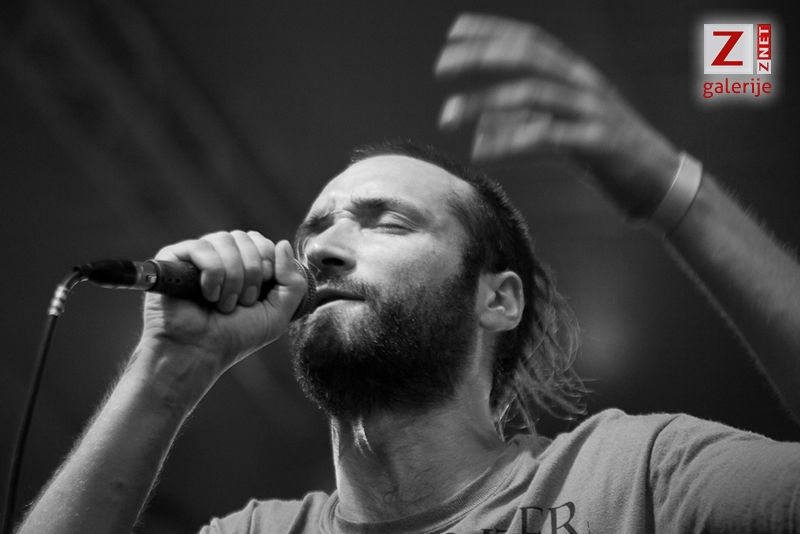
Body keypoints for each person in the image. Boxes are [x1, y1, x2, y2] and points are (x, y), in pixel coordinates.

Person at [16, 13, 800, 534]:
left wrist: (676, 195)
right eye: (315, 229)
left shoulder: (634, 479)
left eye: (387, 222)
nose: (323, 249)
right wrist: (166, 372)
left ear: (498, 298)